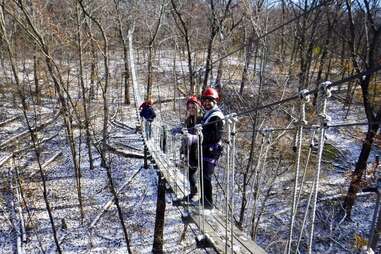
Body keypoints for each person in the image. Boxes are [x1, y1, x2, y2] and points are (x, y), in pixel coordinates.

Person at [186, 87, 224, 210]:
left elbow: (214, 136)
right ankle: (204, 201)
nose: (207, 103)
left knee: (206, 178)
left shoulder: (216, 116)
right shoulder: (209, 115)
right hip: (206, 150)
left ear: (215, 101)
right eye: (205, 101)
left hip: (211, 151)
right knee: (203, 177)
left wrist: (195, 137)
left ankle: (208, 205)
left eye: (209, 101)